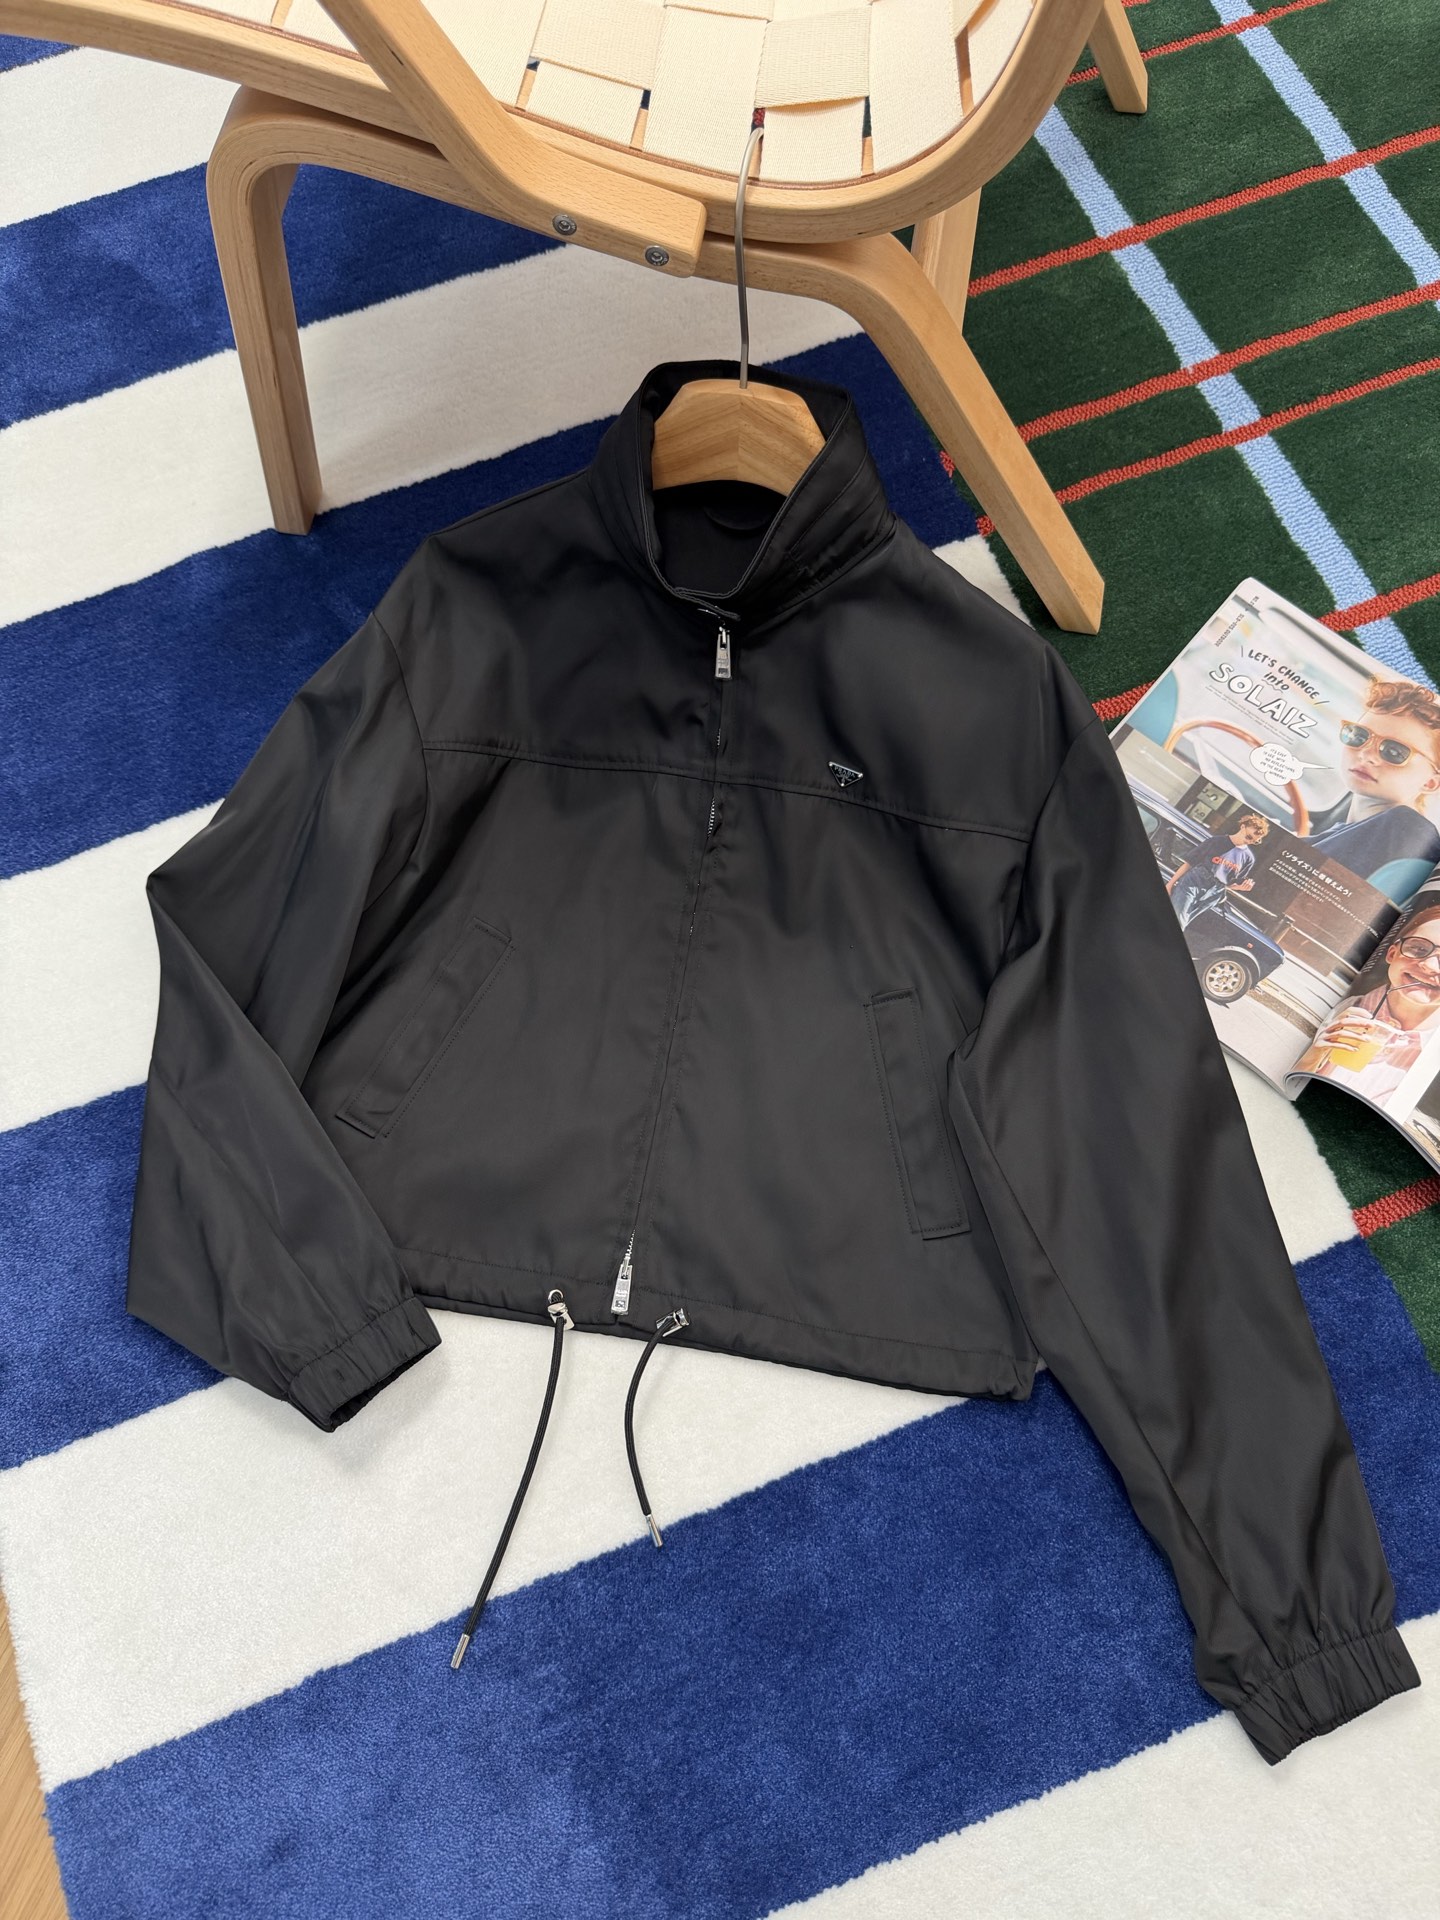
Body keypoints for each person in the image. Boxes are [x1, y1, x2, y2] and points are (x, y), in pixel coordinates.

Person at [1295, 900, 1440, 1102]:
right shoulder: (1342, 1009)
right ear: (1392, 953)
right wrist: (1311, 1057)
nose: (1430, 966)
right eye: (1418, 948)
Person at [1304, 677, 1440, 888]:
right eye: (1359, 736)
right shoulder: (1346, 831)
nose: (1366, 754)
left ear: (1430, 782)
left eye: (1394, 751)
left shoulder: (1408, 830)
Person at [1165, 812, 1270, 930]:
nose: (1249, 842)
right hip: (1195, 881)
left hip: (1215, 892)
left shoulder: (1248, 858)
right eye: (1249, 837)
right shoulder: (1216, 841)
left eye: (1255, 841)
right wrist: (1170, 883)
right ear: (1242, 827)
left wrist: (1240, 887)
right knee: (1179, 919)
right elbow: (1189, 862)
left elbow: (1229, 883)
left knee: (1184, 921)